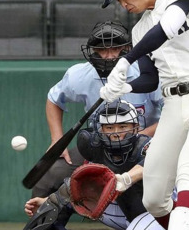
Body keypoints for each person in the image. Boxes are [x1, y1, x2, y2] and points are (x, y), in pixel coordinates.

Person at [100, 0, 189, 230]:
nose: (123, 4)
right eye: (118, 1)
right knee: (153, 199)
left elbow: (166, 28)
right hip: (173, 106)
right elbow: (150, 79)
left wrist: (125, 61)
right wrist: (124, 86)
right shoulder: (139, 30)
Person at [31, 20, 163, 229]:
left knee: (187, 176)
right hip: (99, 146)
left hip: (147, 146)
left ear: (127, 49)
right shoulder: (80, 75)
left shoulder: (147, 74)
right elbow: (54, 99)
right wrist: (57, 139)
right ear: (93, 51)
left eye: (115, 47)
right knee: (52, 174)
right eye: (102, 49)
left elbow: (172, 113)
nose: (109, 55)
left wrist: (140, 137)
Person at [24, 100, 165, 230]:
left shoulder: (144, 144)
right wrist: (48, 201)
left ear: (135, 128)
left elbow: (153, 162)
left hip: (156, 214)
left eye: (123, 126)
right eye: (109, 127)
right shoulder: (94, 147)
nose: (116, 133)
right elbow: (80, 183)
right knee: (53, 207)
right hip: (119, 209)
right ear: (101, 130)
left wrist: (125, 179)